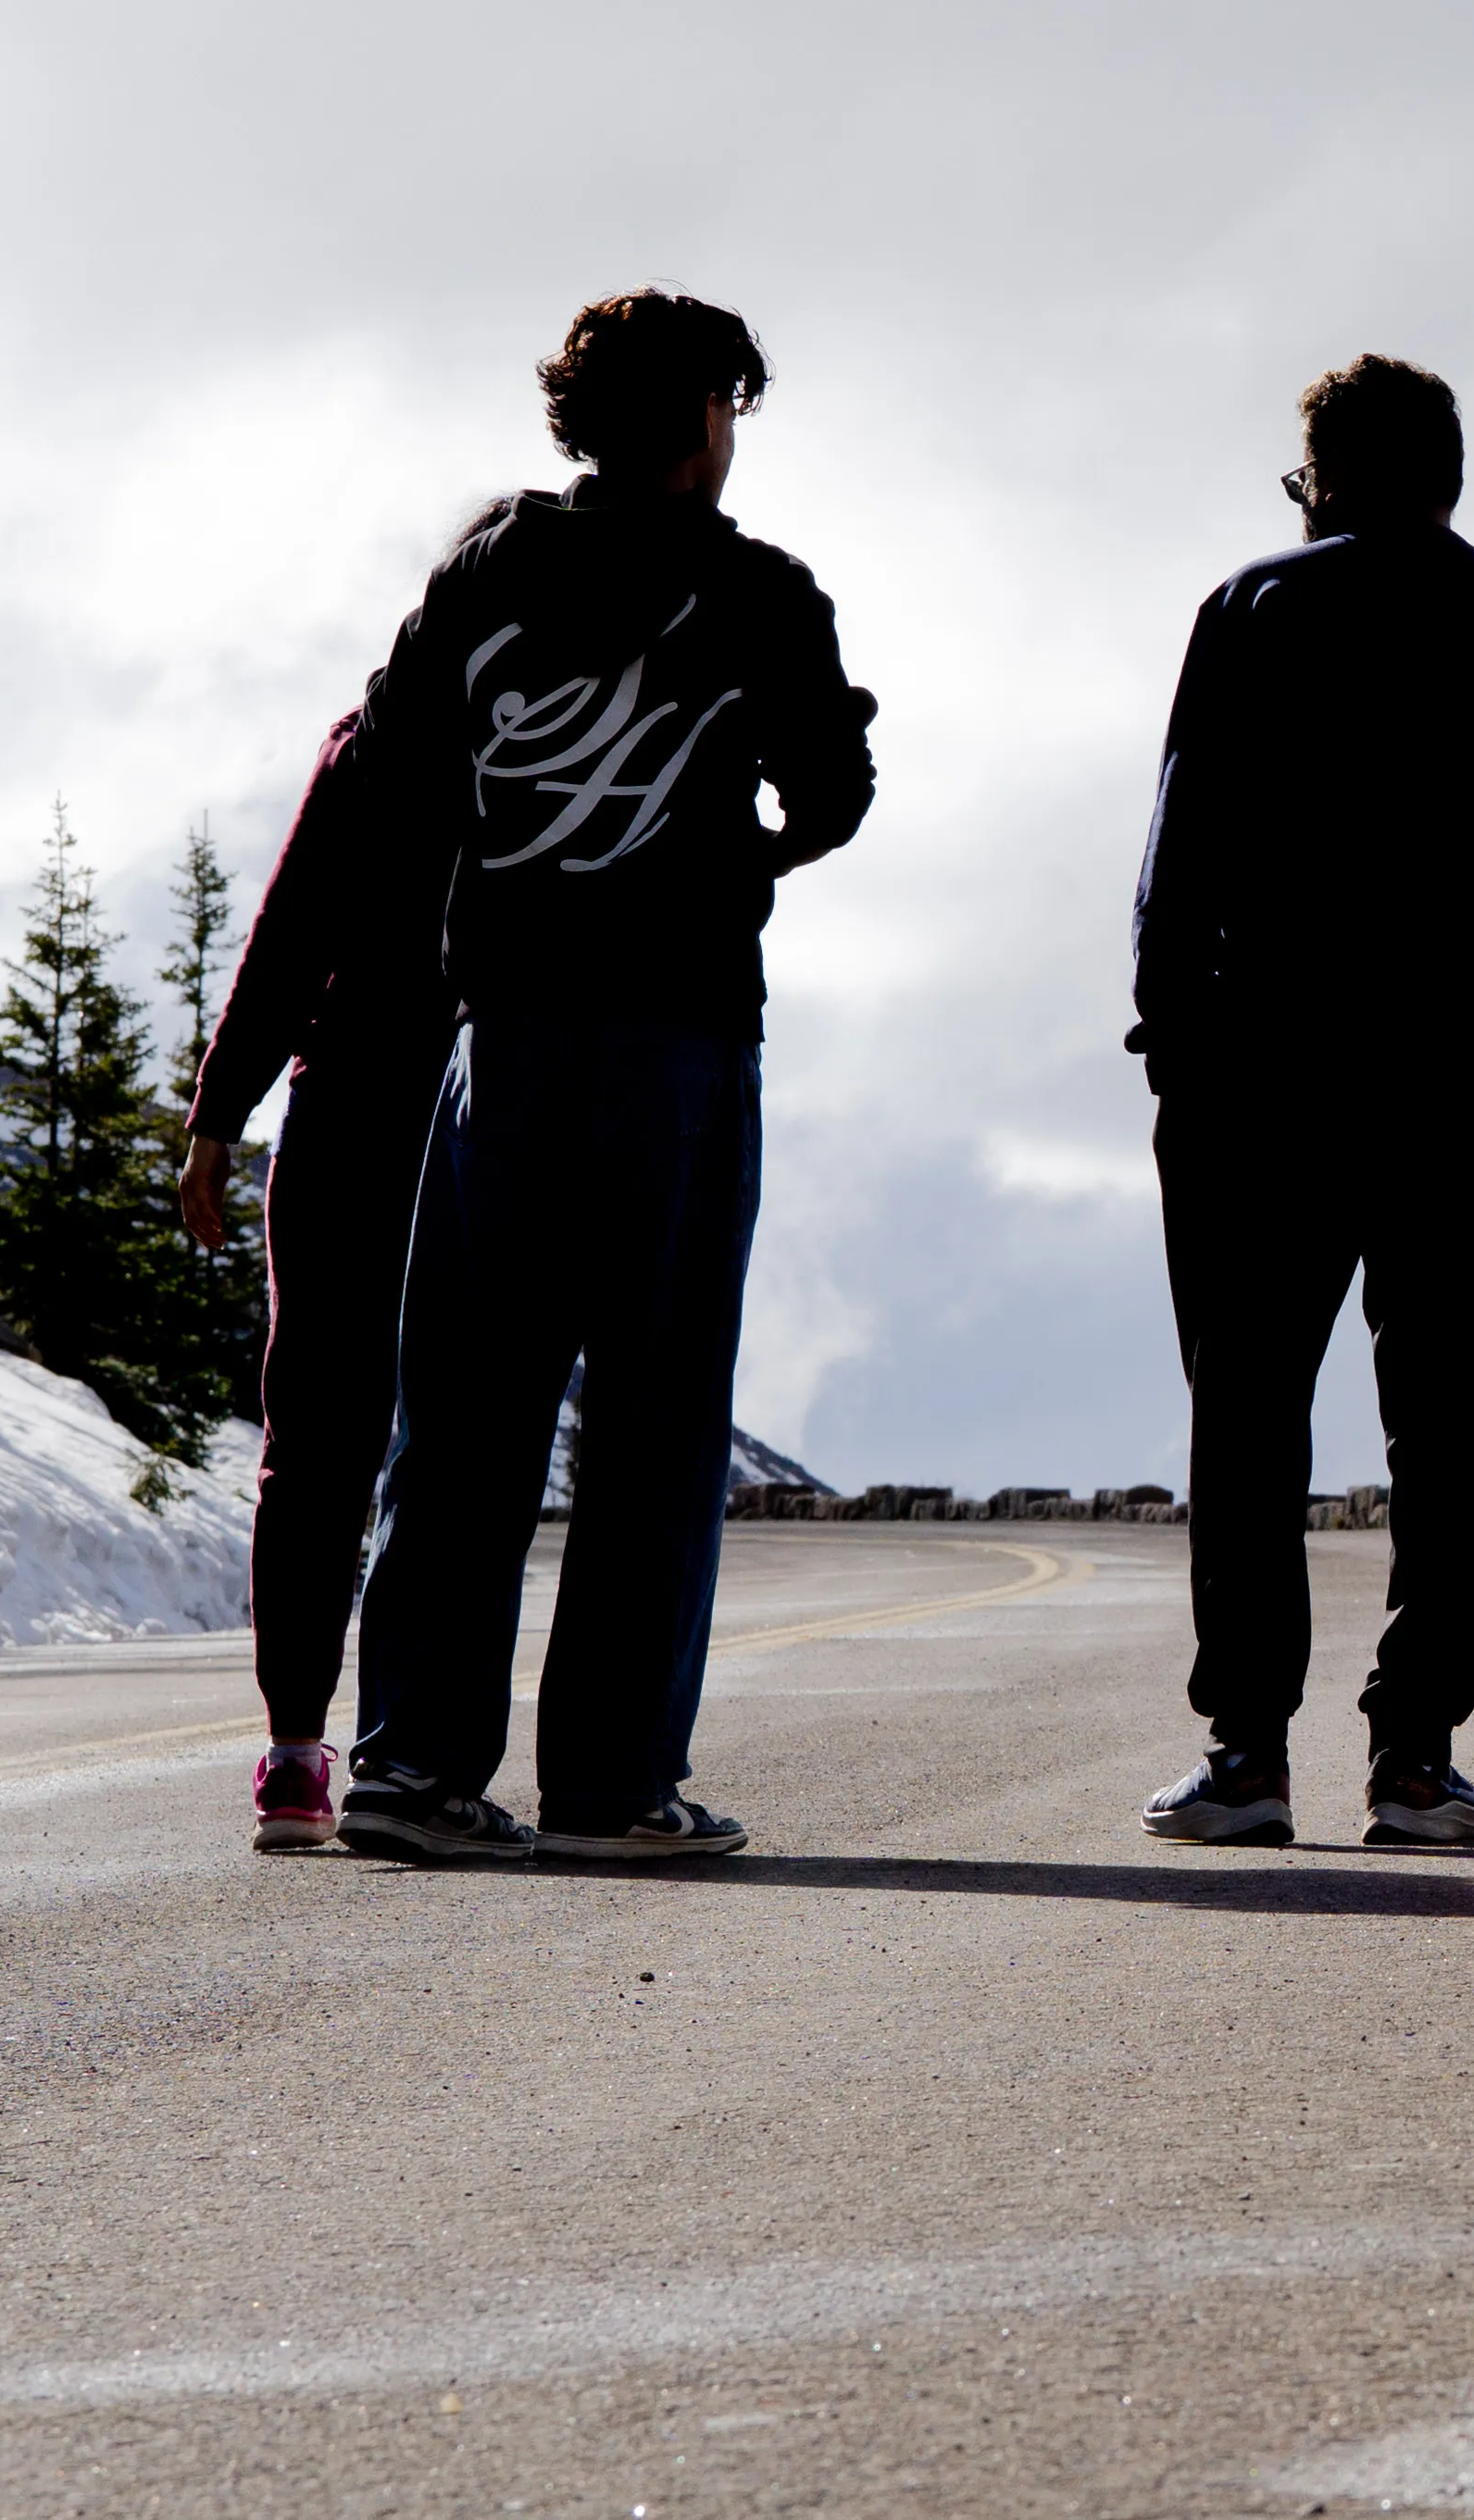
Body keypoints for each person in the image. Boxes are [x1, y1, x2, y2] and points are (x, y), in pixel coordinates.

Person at [330, 289, 878, 1865]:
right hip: (680, 1035)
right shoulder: (756, 589)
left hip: (503, 1037)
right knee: (651, 1414)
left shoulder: (488, 568)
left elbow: (389, 770)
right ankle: (617, 1782)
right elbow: (830, 786)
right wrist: (764, 829)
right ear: (706, 414)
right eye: (732, 405)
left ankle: (414, 1762)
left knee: (464, 1409)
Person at [1127, 355, 1474, 1851]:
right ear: (1450, 473)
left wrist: (1179, 1043)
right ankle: (1416, 1753)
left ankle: (1248, 1757)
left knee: (1249, 1413)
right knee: (1462, 1434)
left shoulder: (1253, 611)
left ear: (1324, 471)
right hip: (1469, 1099)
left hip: (1264, 1087)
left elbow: (1181, 858)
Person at [178, 708, 458, 1853]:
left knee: (316, 1438)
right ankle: (410, 1757)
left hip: (340, 1106)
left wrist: (218, 1115)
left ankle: (297, 1757)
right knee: (449, 1432)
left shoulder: (377, 737)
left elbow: (288, 931)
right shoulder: (555, 725)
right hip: (472, 1110)